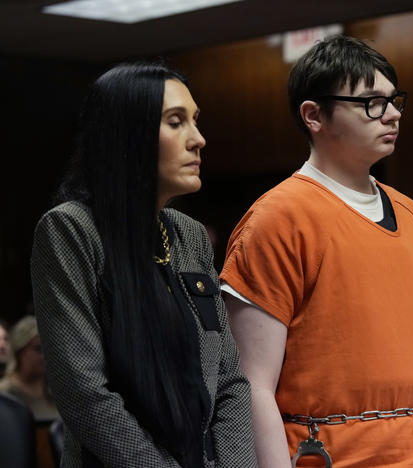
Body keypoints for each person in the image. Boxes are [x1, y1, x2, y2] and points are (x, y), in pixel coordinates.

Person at [220, 35, 413, 467]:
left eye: (394, 100)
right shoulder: (278, 218)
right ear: (314, 115)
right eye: (372, 102)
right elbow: (251, 382)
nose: (392, 114)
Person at [30, 62, 256, 467]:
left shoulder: (188, 235)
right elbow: (84, 393)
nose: (198, 140)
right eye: (176, 122)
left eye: (195, 121)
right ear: (128, 134)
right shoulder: (71, 230)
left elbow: (229, 381)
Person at [0, 315, 59, 420]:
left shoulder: (55, 392)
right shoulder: (4, 393)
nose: (45, 356)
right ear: (20, 352)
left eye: (48, 349)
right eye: (38, 349)